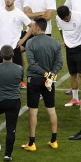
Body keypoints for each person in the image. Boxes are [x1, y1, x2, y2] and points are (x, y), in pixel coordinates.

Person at [22, 18, 62, 152]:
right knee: (51, 109)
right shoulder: (55, 42)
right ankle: (54, 140)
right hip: (49, 81)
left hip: (34, 80)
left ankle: (32, 142)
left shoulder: (30, 42)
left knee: (33, 111)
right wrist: (51, 74)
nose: (31, 29)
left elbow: (32, 64)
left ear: (37, 28)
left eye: (33, 27)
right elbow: (59, 63)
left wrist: (45, 74)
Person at [0, 45, 23, 162]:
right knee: (11, 128)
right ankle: (8, 154)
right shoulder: (19, 68)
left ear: (1, 55)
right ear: (13, 55)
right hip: (13, 102)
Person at [0, 0, 32, 71]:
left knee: (18, 72)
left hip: (14, 48)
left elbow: (31, 26)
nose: (8, 0)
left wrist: (22, 40)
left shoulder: (19, 13)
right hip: (0, 48)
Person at [55, 5, 81, 107]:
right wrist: (64, 40)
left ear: (69, 13)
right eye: (63, 19)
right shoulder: (59, 18)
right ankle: (75, 99)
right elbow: (60, 28)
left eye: (66, 18)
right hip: (69, 49)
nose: (65, 21)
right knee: (73, 74)